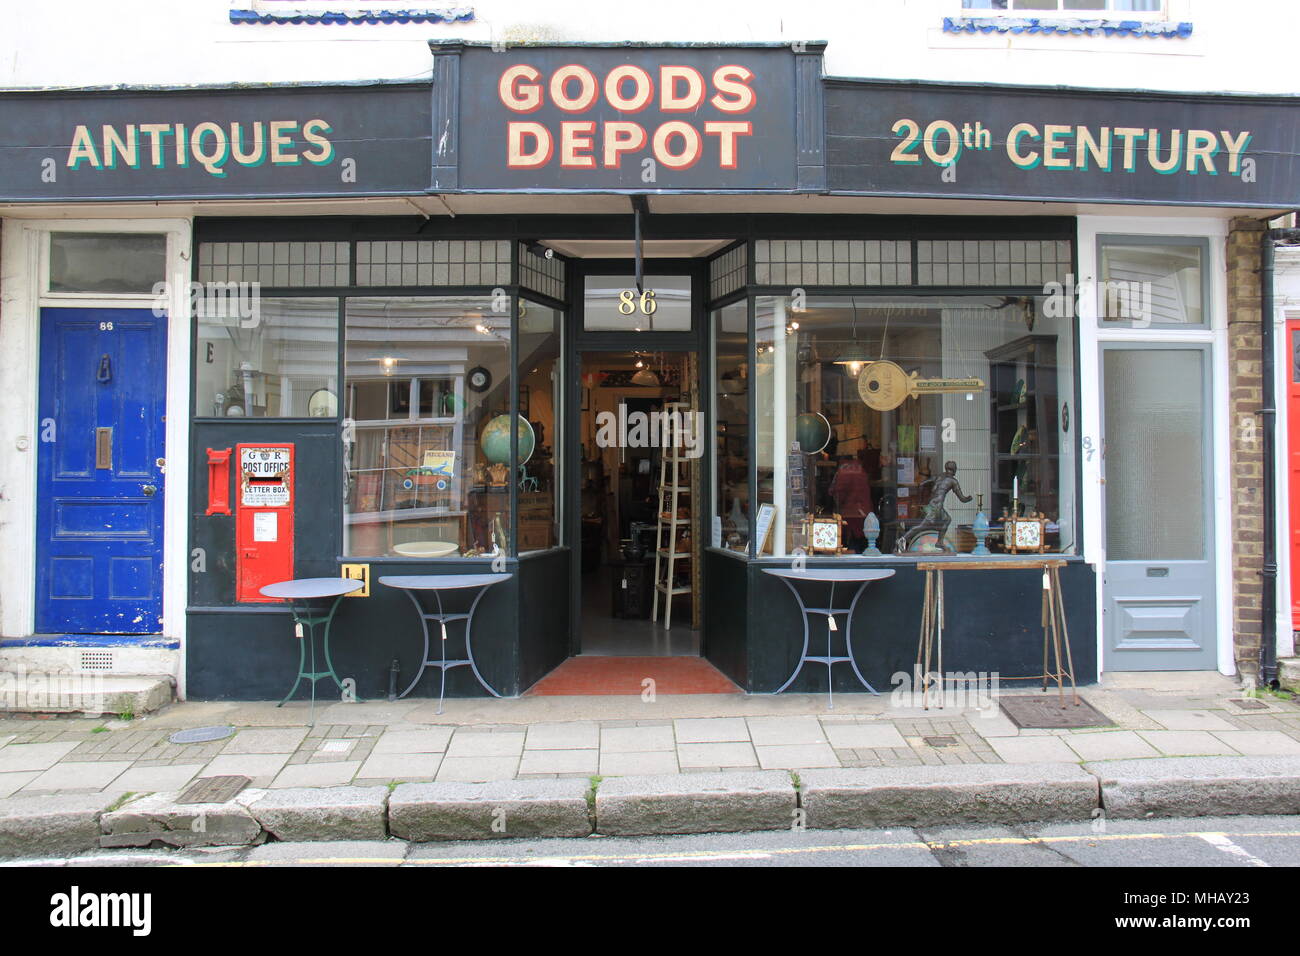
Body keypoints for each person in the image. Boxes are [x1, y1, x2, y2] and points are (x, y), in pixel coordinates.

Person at [898, 460, 971, 552]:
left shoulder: (939, 476)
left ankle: (939, 542)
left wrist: (920, 499)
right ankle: (902, 539)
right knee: (921, 526)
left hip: (932, 506)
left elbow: (921, 484)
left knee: (947, 519)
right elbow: (962, 499)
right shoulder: (953, 481)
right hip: (935, 508)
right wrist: (969, 498)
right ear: (954, 469)